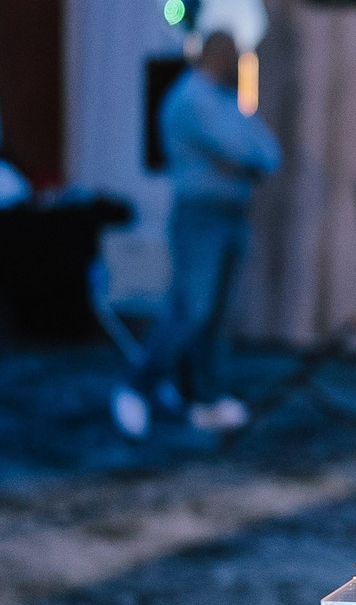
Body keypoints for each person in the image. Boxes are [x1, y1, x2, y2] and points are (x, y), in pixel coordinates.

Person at [113, 30, 279, 437]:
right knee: (192, 308)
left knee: (217, 315)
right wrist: (247, 155)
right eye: (233, 54)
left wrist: (249, 154)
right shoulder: (189, 99)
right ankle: (137, 387)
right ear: (216, 52)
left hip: (232, 214)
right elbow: (241, 149)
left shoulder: (225, 100)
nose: (238, 61)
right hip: (199, 217)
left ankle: (203, 396)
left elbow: (268, 151)